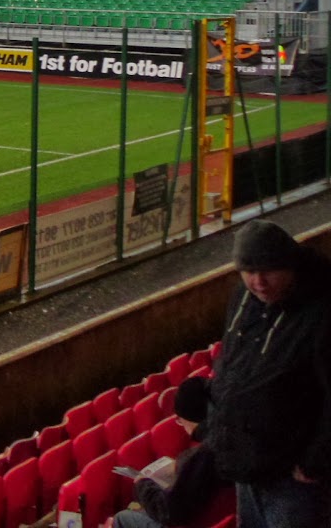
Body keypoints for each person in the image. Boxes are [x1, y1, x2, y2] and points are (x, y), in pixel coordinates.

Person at [205, 219, 331, 528]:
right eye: (249, 271)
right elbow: (231, 363)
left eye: (268, 271)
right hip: (247, 464)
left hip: (293, 479)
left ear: (290, 265)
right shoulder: (243, 297)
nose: (258, 281)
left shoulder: (323, 312)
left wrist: (315, 461)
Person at [112, 377, 222, 528]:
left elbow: (170, 513)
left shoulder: (203, 458)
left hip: (190, 520)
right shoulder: (232, 434)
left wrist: (142, 485)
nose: (180, 423)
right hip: (222, 518)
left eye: (179, 419)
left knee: (122, 517)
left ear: (190, 417)